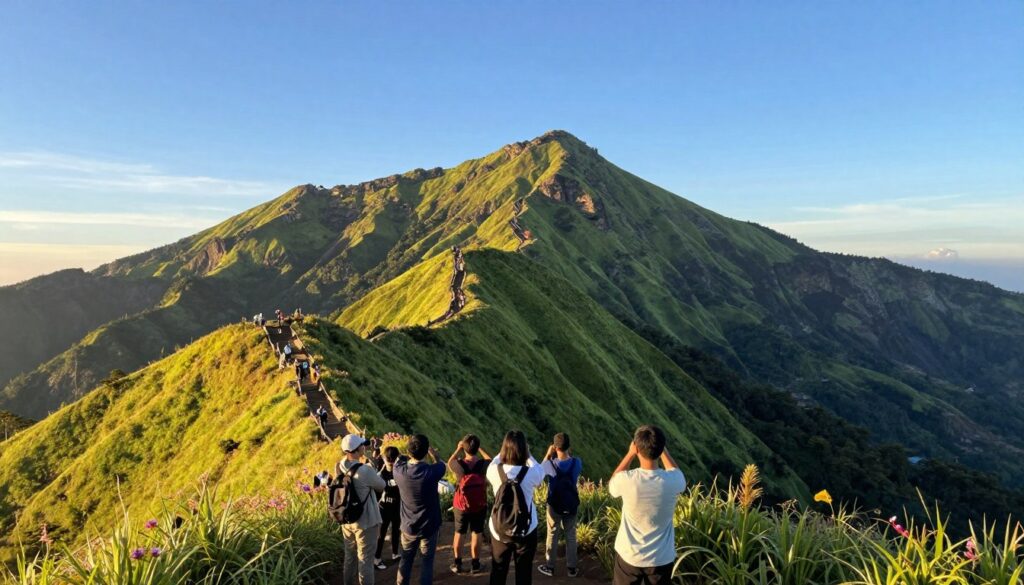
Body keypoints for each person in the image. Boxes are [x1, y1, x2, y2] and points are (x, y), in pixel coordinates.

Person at [608, 426, 686, 585]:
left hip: (629, 555)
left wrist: (630, 454)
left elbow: (612, 483)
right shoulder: (673, 481)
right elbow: (675, 470)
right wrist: (663, 450)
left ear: (636, 448)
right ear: (661, 448)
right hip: (661, 558)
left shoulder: (627, 480)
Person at [487, 430, 545, 585]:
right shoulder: (532, 473)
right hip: (526, 529)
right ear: (524, 450)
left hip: (499, 529)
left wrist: (502, 451)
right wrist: (529, 455)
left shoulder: (494, 471)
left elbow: (494, 461)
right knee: (524, 573)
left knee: (498, 571)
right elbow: (541, 471)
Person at [393, 434, 447, 585]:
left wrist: (408, 453)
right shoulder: (432, 472)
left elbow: (399, 459)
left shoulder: (398, 471)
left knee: (406, 560)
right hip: (429, 526)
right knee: (427, 562)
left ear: (409, 451)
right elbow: (442, 465)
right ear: (426, 451)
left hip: (408, 527)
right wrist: (435, 456)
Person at [337, 434, 387, 585]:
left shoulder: (340, 465)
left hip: (346, 519)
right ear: (357, 450)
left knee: (350, 557)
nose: (364, 447)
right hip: (365, 521)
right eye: (362, 445)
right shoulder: (365, 470)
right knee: (365, 560)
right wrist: (372, 468)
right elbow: (382, 485)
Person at [538, 433, 582, 578]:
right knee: (571, 535)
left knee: (552, 534)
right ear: (569, 447)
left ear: (555, 447)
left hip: (554, 506)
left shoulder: (550, 464)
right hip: (571, 504)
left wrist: (548, 453)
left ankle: (550, 566)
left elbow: (538, 472)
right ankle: (572, 568)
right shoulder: (577, 462)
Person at [447, 434, 492, 574]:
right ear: (477, 448)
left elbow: (450, 461)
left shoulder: (459, 465)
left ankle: (457, 564)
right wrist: (480, 449)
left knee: (459, 532)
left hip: (461, 505)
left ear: (464, 448)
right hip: (479, 504)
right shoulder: (483, 465)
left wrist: (458, 448)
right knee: (476, 532)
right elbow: (490, 459)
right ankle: (475, 564)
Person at [374, 446, 403, 570]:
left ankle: (395, 553)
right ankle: (376, 558)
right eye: (388, 459)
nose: (390, 461)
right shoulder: (380, 475)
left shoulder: (400, 472)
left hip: (396, 507)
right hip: (384, 508)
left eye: (392, 459)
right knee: (381, 534)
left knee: (396, 531)